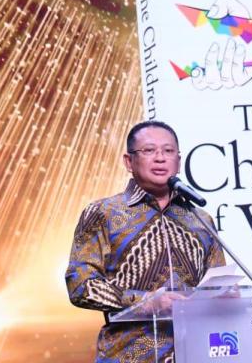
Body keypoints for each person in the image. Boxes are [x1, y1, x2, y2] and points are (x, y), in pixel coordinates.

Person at [65, 120, 226, 363]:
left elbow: (218, 284)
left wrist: (225, 296)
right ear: (129, 162)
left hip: (196, 353)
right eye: (149, 150)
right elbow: (80, 286)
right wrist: (146, 302)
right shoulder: (104, 213)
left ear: (178, 161)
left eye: (168, 151)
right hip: (127, 355)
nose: (160, 158)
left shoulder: (200, 219)